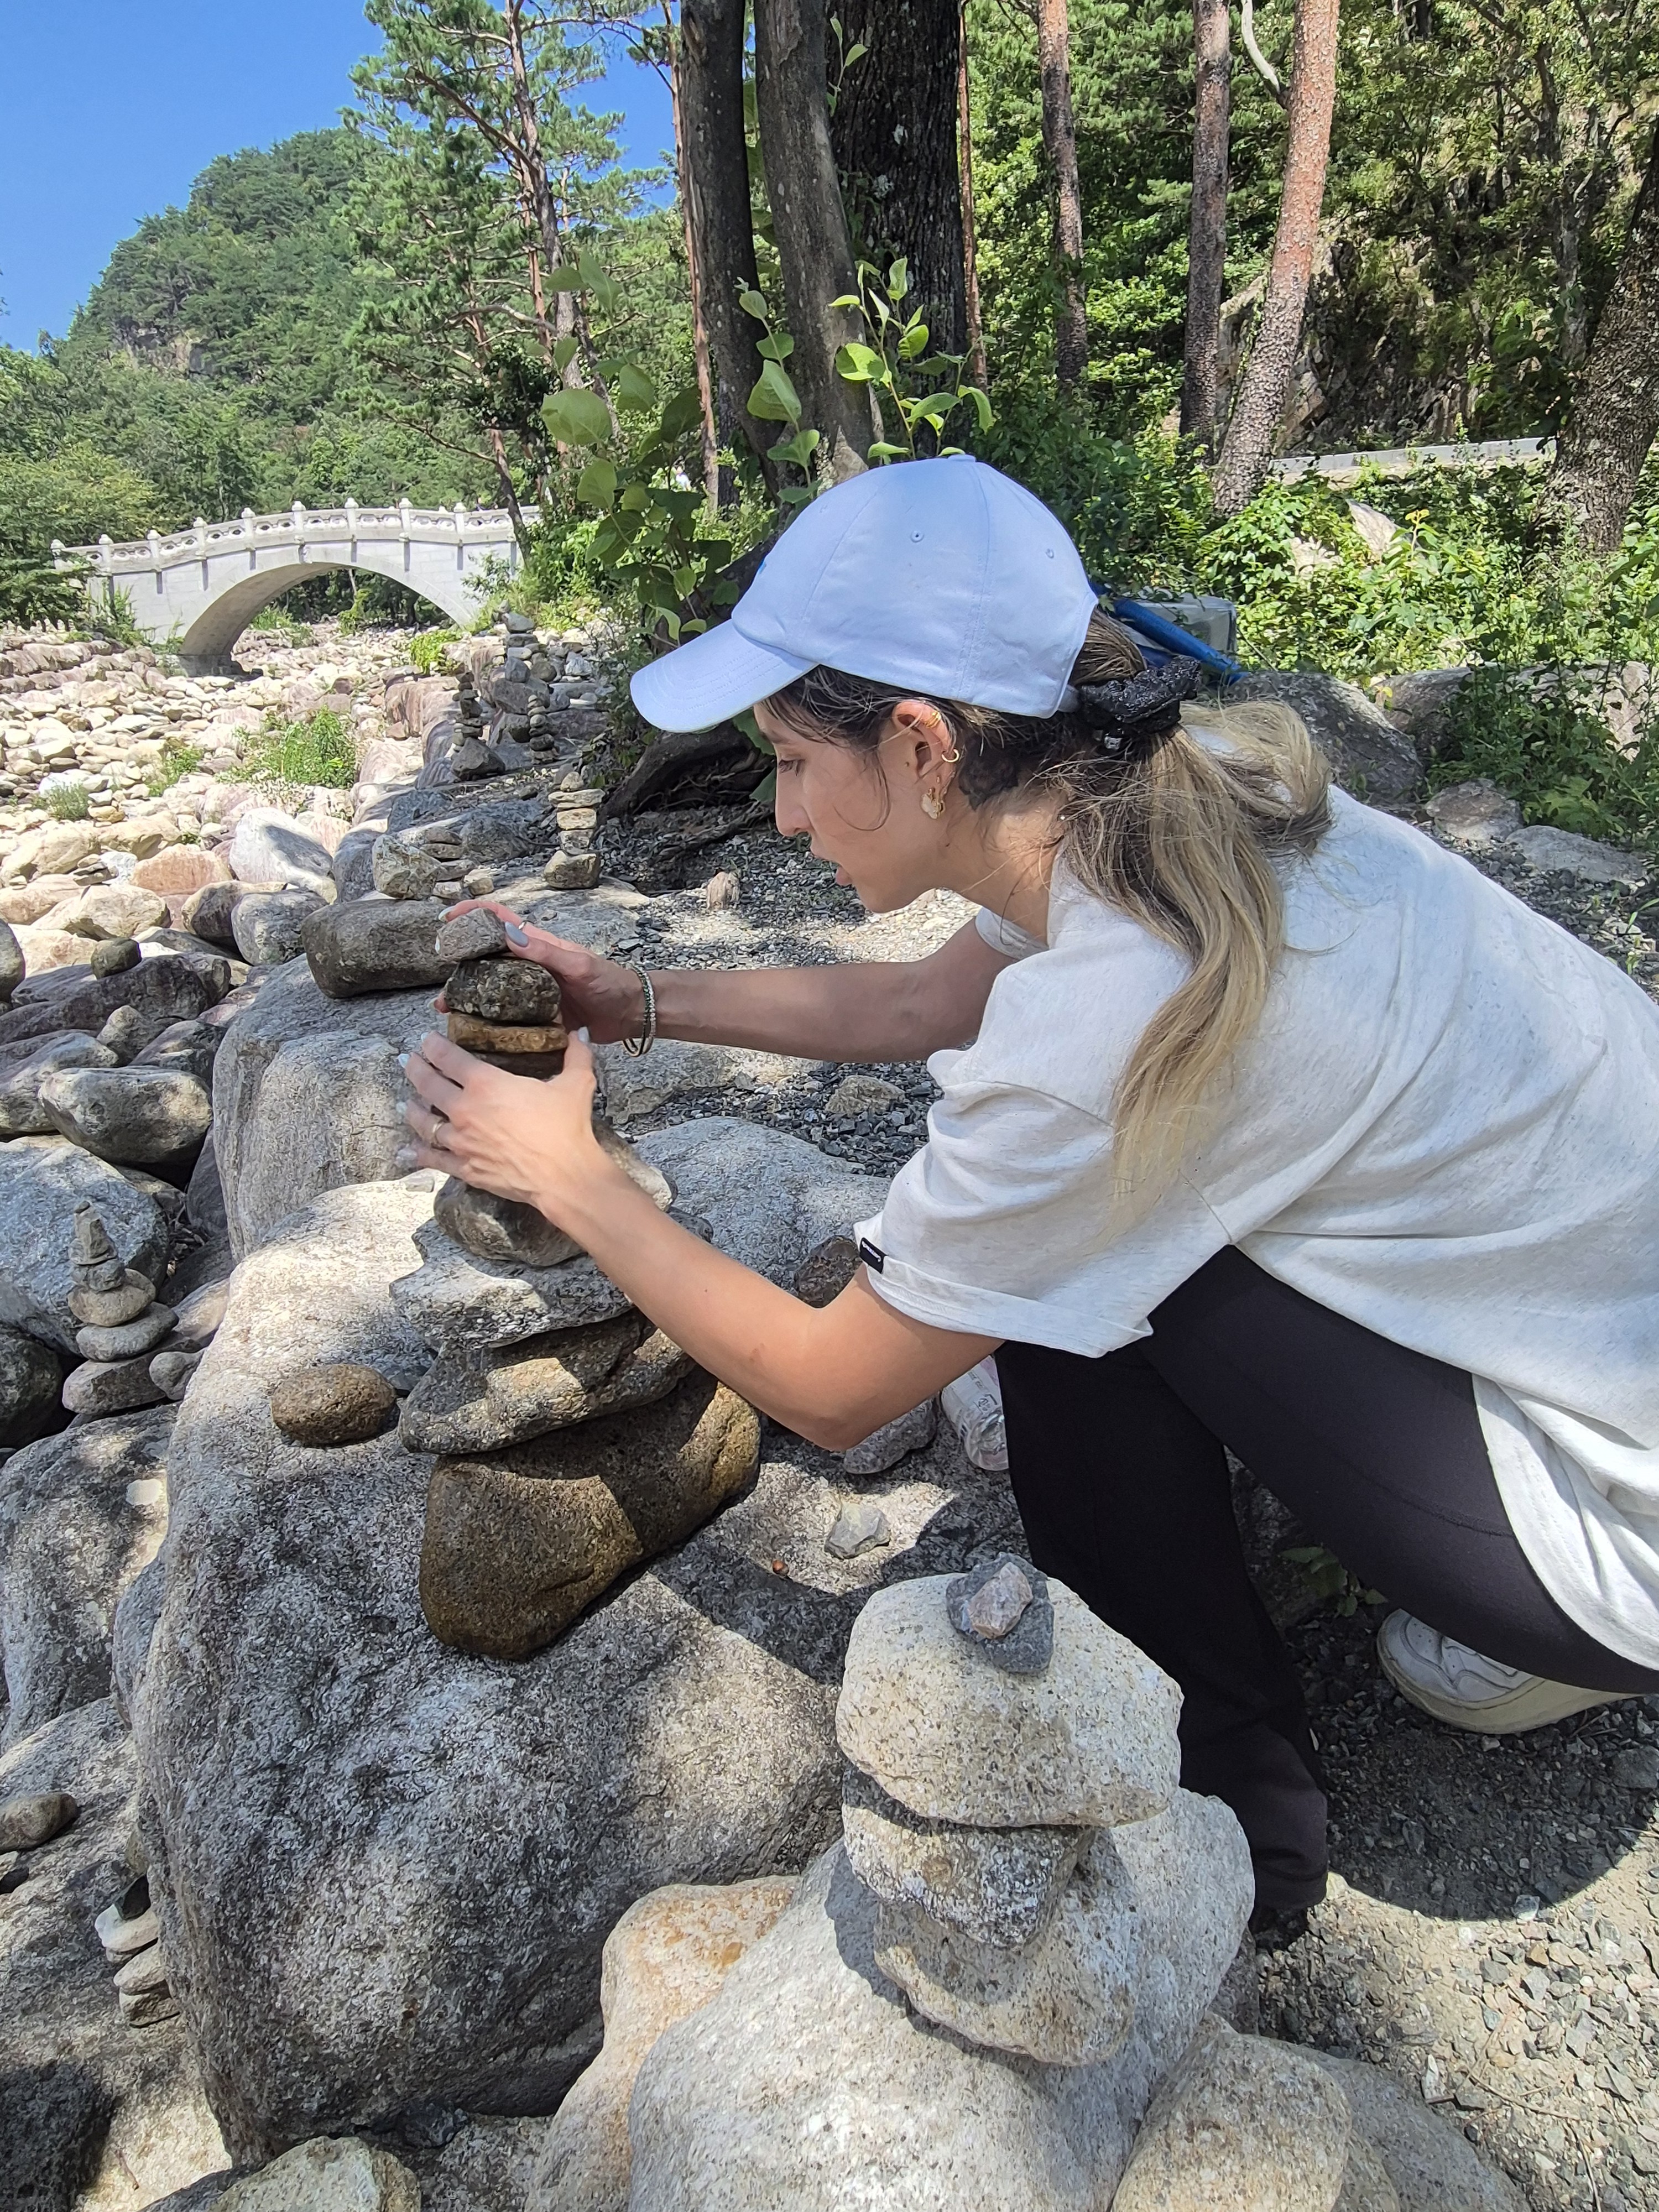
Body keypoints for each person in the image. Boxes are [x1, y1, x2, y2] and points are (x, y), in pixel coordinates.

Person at [402, 456, 1659, 1927]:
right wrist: (636, 1002)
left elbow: (835, 1388)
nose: (784, 814)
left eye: (793, 760)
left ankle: (1237, 1835)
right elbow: (915, 1006)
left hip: (1621, 1533)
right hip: (1605, 1341)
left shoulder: (1114, 1016)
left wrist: (568, 1177)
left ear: (923, 746)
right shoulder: (1173, 795)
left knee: (1071, 1290)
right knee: (1081, 1239)